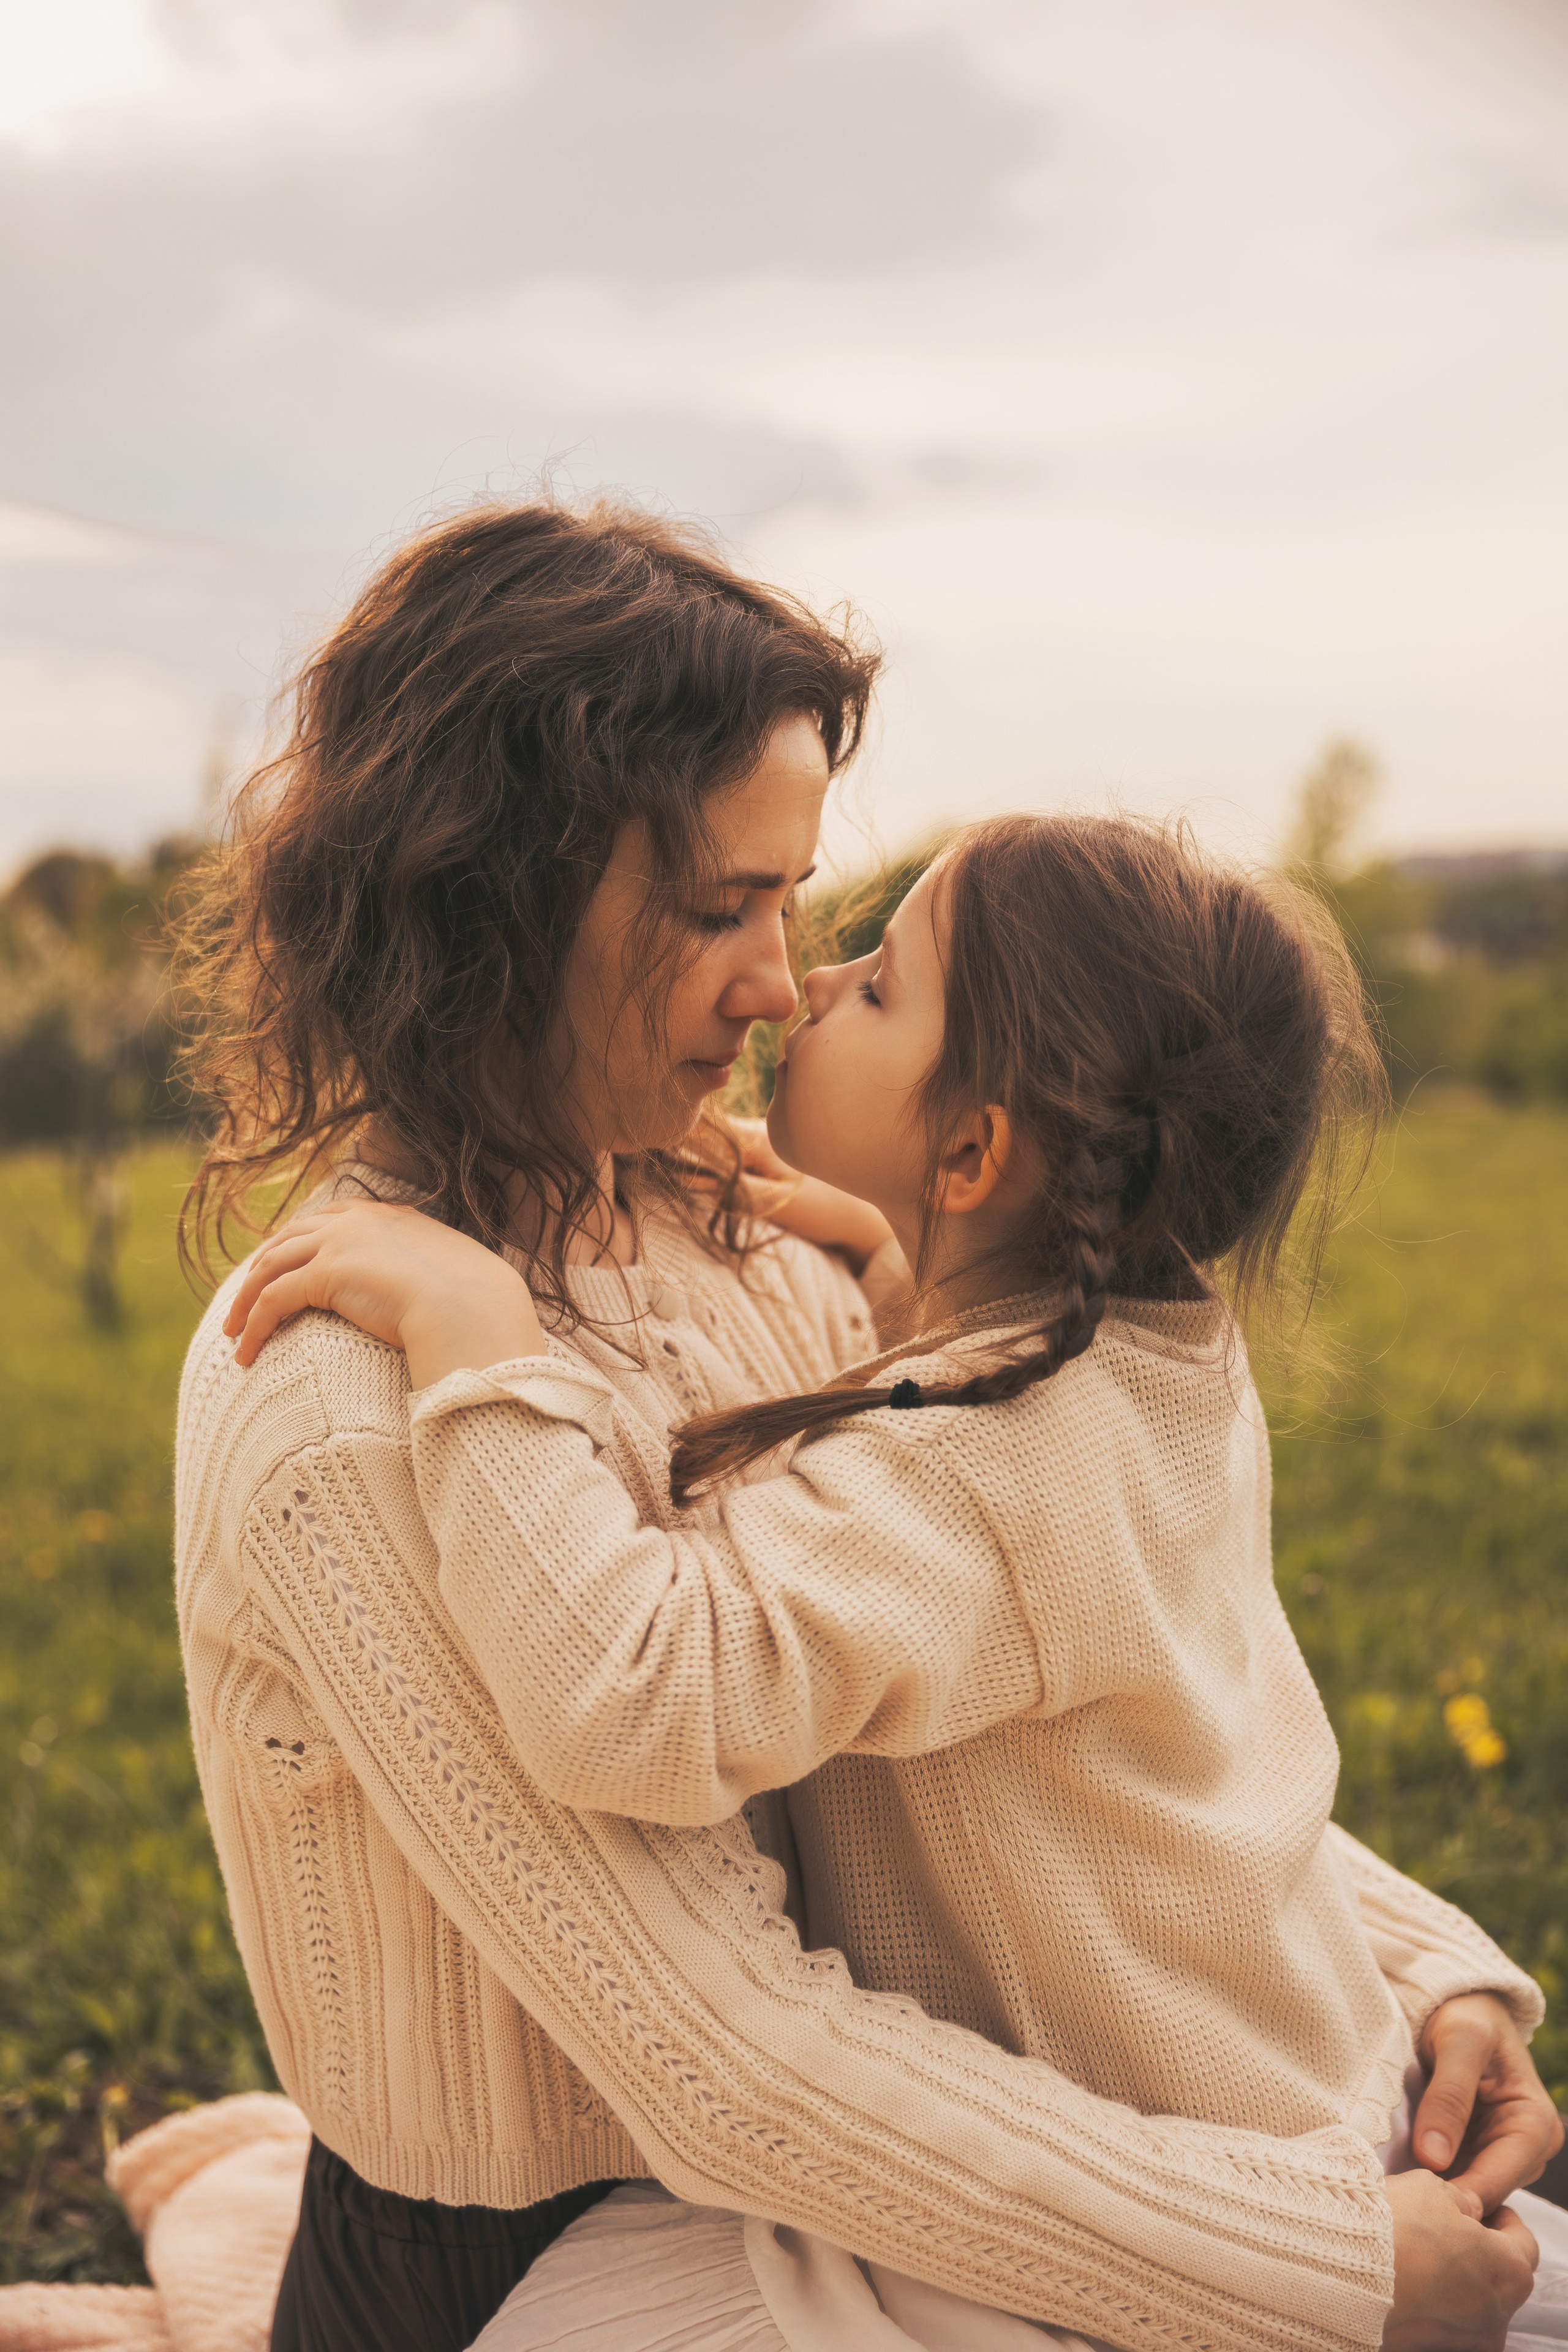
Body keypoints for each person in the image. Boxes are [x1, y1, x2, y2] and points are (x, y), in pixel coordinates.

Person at [176, 499, 1559, 2352]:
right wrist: (1325, 2260)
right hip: (585, 2250)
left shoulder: (766, 1242)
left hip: (908, 2160)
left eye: (805, 905)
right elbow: (737, 2063)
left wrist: (1417, 1991)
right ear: (501, 904)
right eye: (720, 907)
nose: (780, 980)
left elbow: (1107, 1744)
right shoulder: (354, 1390)